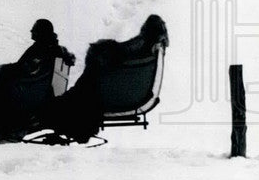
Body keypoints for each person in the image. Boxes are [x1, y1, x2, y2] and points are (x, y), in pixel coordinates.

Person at [46, 15, 169, 143]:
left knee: (82, 88)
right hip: (112, 89)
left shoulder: (142, 47)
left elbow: (122, 51)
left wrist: (102, 50)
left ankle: (66, 116)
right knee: (85, 83)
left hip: (107, 91)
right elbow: (125, 50)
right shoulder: (146, 48)